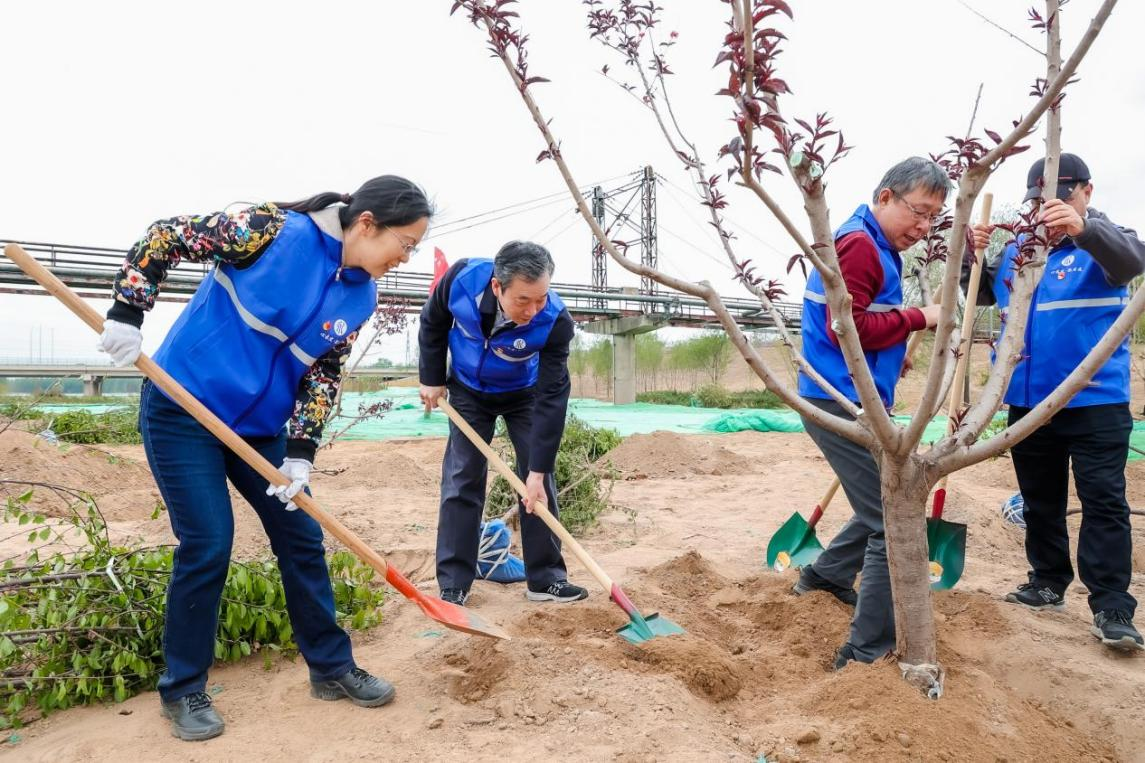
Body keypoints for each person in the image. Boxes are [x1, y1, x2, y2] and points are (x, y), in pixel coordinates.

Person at [97, 175, 433, 740]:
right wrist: (128, 310)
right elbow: (167, 237)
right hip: (185, 410)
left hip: (260, 430)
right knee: (208, 543)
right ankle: (183, 689)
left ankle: (331, 668)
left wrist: (300, 452)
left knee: (302, 537)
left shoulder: (362, 294)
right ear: (368, 223)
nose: (406, 258)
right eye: (405, 244)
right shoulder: (272, 232)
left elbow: (322, 374)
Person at [966, 153, 1145, 651]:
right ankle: (1047, 581)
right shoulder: (1021, 253)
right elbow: (978, 294)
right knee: (1040, 501)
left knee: (1103, 503)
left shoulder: (1108, 243)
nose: (1052, 210)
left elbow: (1135, 260)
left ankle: (1112, 605)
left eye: (1064, 198)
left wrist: (1084, 229)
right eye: (1042, 202)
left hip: (1095, 403)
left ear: (1087, 192)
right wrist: (971, 257)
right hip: (1027, 401)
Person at [791, 156, 946, 668]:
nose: (923, 228)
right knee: (892, 519)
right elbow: (847, 329)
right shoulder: (859, 245)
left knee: (881, 501)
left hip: (852, 397)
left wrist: (892, 354)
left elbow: (864, 324)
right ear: (884, 197)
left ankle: (826, 575)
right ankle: (863, 651)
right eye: (917, 213)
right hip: (836, 401)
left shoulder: (873, 243)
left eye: (933, 220)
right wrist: (919, 318)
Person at [418, 241, 587, 607]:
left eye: (541, 297)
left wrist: (538, 471)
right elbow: (433, 322)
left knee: (538, 484)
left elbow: (552, 396)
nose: (534, 308)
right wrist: (431, 377)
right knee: (462, 477)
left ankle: (545, 579)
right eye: (524, 300)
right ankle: (454, 582)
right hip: (466, 390)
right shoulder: (460, 281)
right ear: (497, 286)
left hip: (524, 395)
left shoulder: (555, 320)